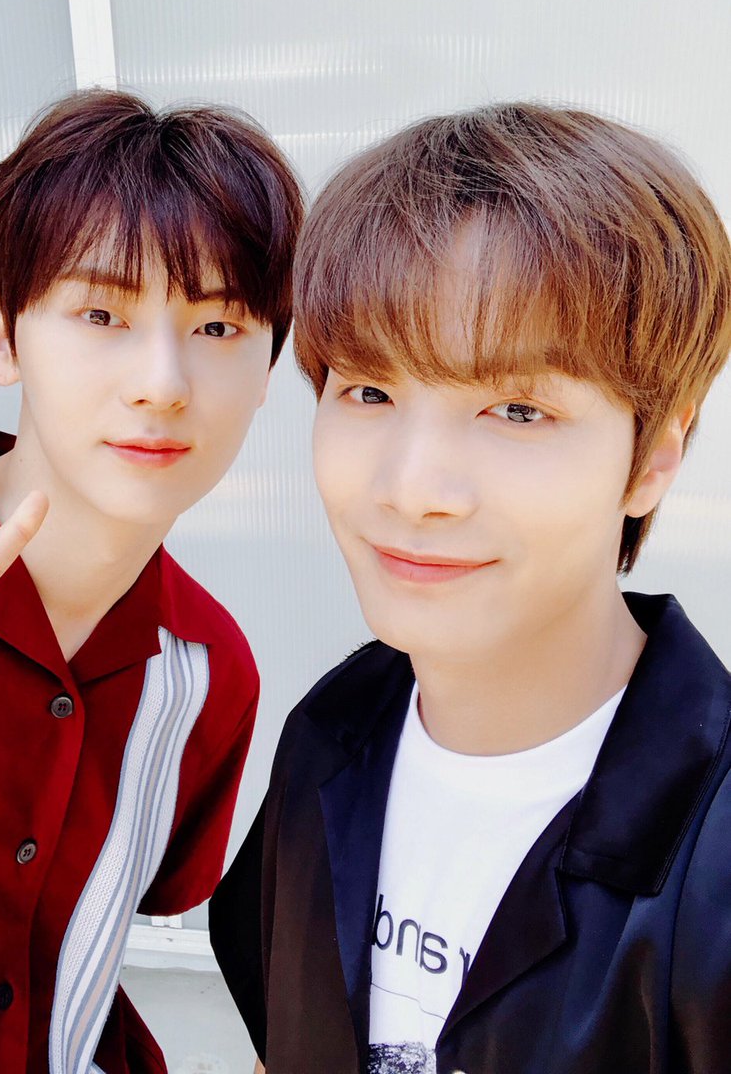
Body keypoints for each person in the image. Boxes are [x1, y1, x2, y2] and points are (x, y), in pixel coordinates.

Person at [209, 103, 731, 1074]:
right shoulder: (331, 735)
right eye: (368, 391)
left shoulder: (713, 854)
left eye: (517, 409)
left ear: (652, 459)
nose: (412, 489)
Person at [0, 89, 302, 1074]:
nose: (162, 382)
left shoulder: (212, 672)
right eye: (100, 312)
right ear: (3, 336)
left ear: (270, 366)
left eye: (220, 326)